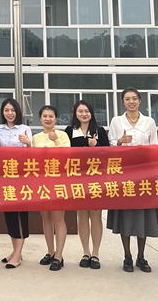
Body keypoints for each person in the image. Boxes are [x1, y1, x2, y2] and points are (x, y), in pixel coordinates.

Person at [107, 87, 158, 273]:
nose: (131, 102)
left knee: (143, 216)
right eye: (127, 99)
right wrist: (120, 142)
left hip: (145, 173)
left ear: (140, 101)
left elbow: (155, 147)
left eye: (134, 98)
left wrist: (144, 151)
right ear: (123, 102)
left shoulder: (149, 122)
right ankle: (127, 256)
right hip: (123, 173)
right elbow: (110, 146)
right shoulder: (116, 121)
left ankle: (141, 256)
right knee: (125, 215)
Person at [65, 100, 110, 270]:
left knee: (96, 215)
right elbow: (64, 153)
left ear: (91, 113)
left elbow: (109, 154)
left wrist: (96, 146)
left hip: (96, 179)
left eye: (87, 111)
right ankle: (86, 252)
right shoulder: (69, 131)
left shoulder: (99, 131)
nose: (84, 114)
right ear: (75, 113)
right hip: (77, 179)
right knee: (82, 215)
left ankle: (96, 254)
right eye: (80, 111)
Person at [0, 98, 32, 269]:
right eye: (6, 110)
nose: (10, 113)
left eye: (13, 110)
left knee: (19, 214)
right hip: (4, 177)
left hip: (20, 177)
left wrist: (28, 144)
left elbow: (32, 154)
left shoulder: (25, 129)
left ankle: (18, 253)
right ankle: (15, 250)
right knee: (9, 214)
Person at [32, 105, 71, 271]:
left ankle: (59, 256)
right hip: (42, 182)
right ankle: (50, 252)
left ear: (56, 118)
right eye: (45, 116)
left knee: (58, 219)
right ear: (40, 118)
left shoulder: (63, 135)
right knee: (46, 218)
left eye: (51, 116)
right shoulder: (35, 137)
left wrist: (56, 140)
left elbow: (68, 155)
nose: (48, 119)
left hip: (58, 182)